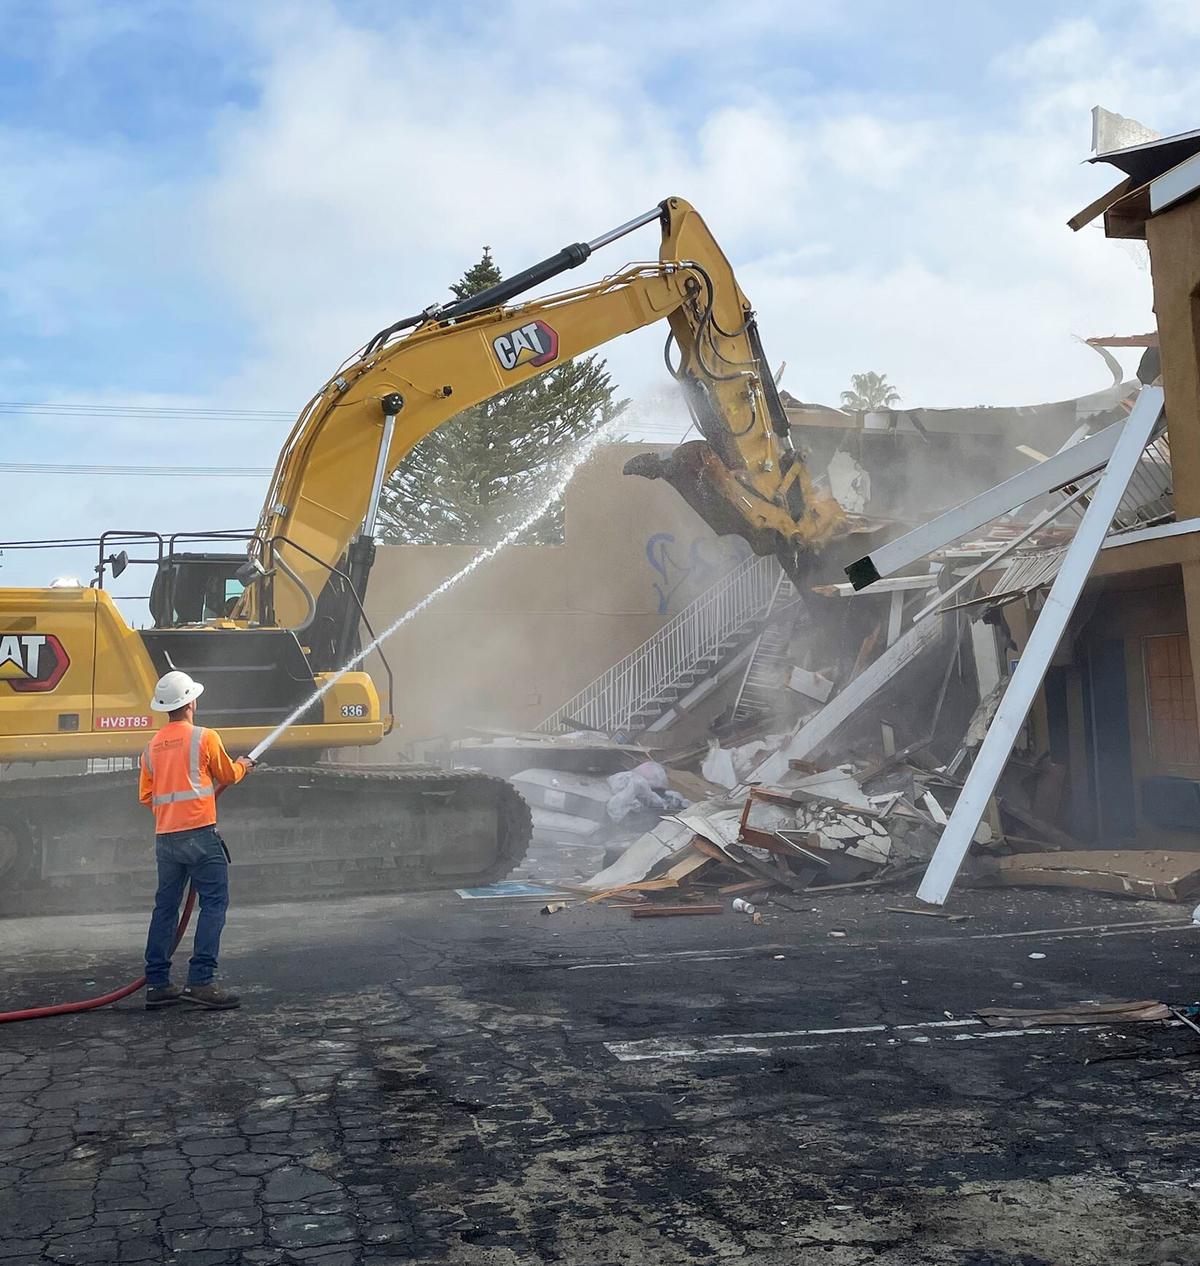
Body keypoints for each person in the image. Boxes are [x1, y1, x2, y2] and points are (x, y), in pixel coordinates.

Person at [139, 670, 255, 1011]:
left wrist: (172, 812)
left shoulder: (151, 747)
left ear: (164, 707)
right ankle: (201, 981)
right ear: (191, 701)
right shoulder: (204, 737)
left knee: (165, 908)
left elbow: (146, 796)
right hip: (200, 836)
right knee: (214, 903)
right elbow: (227, 775)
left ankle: (157, 983)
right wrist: (244, 766)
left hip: (166, 838)